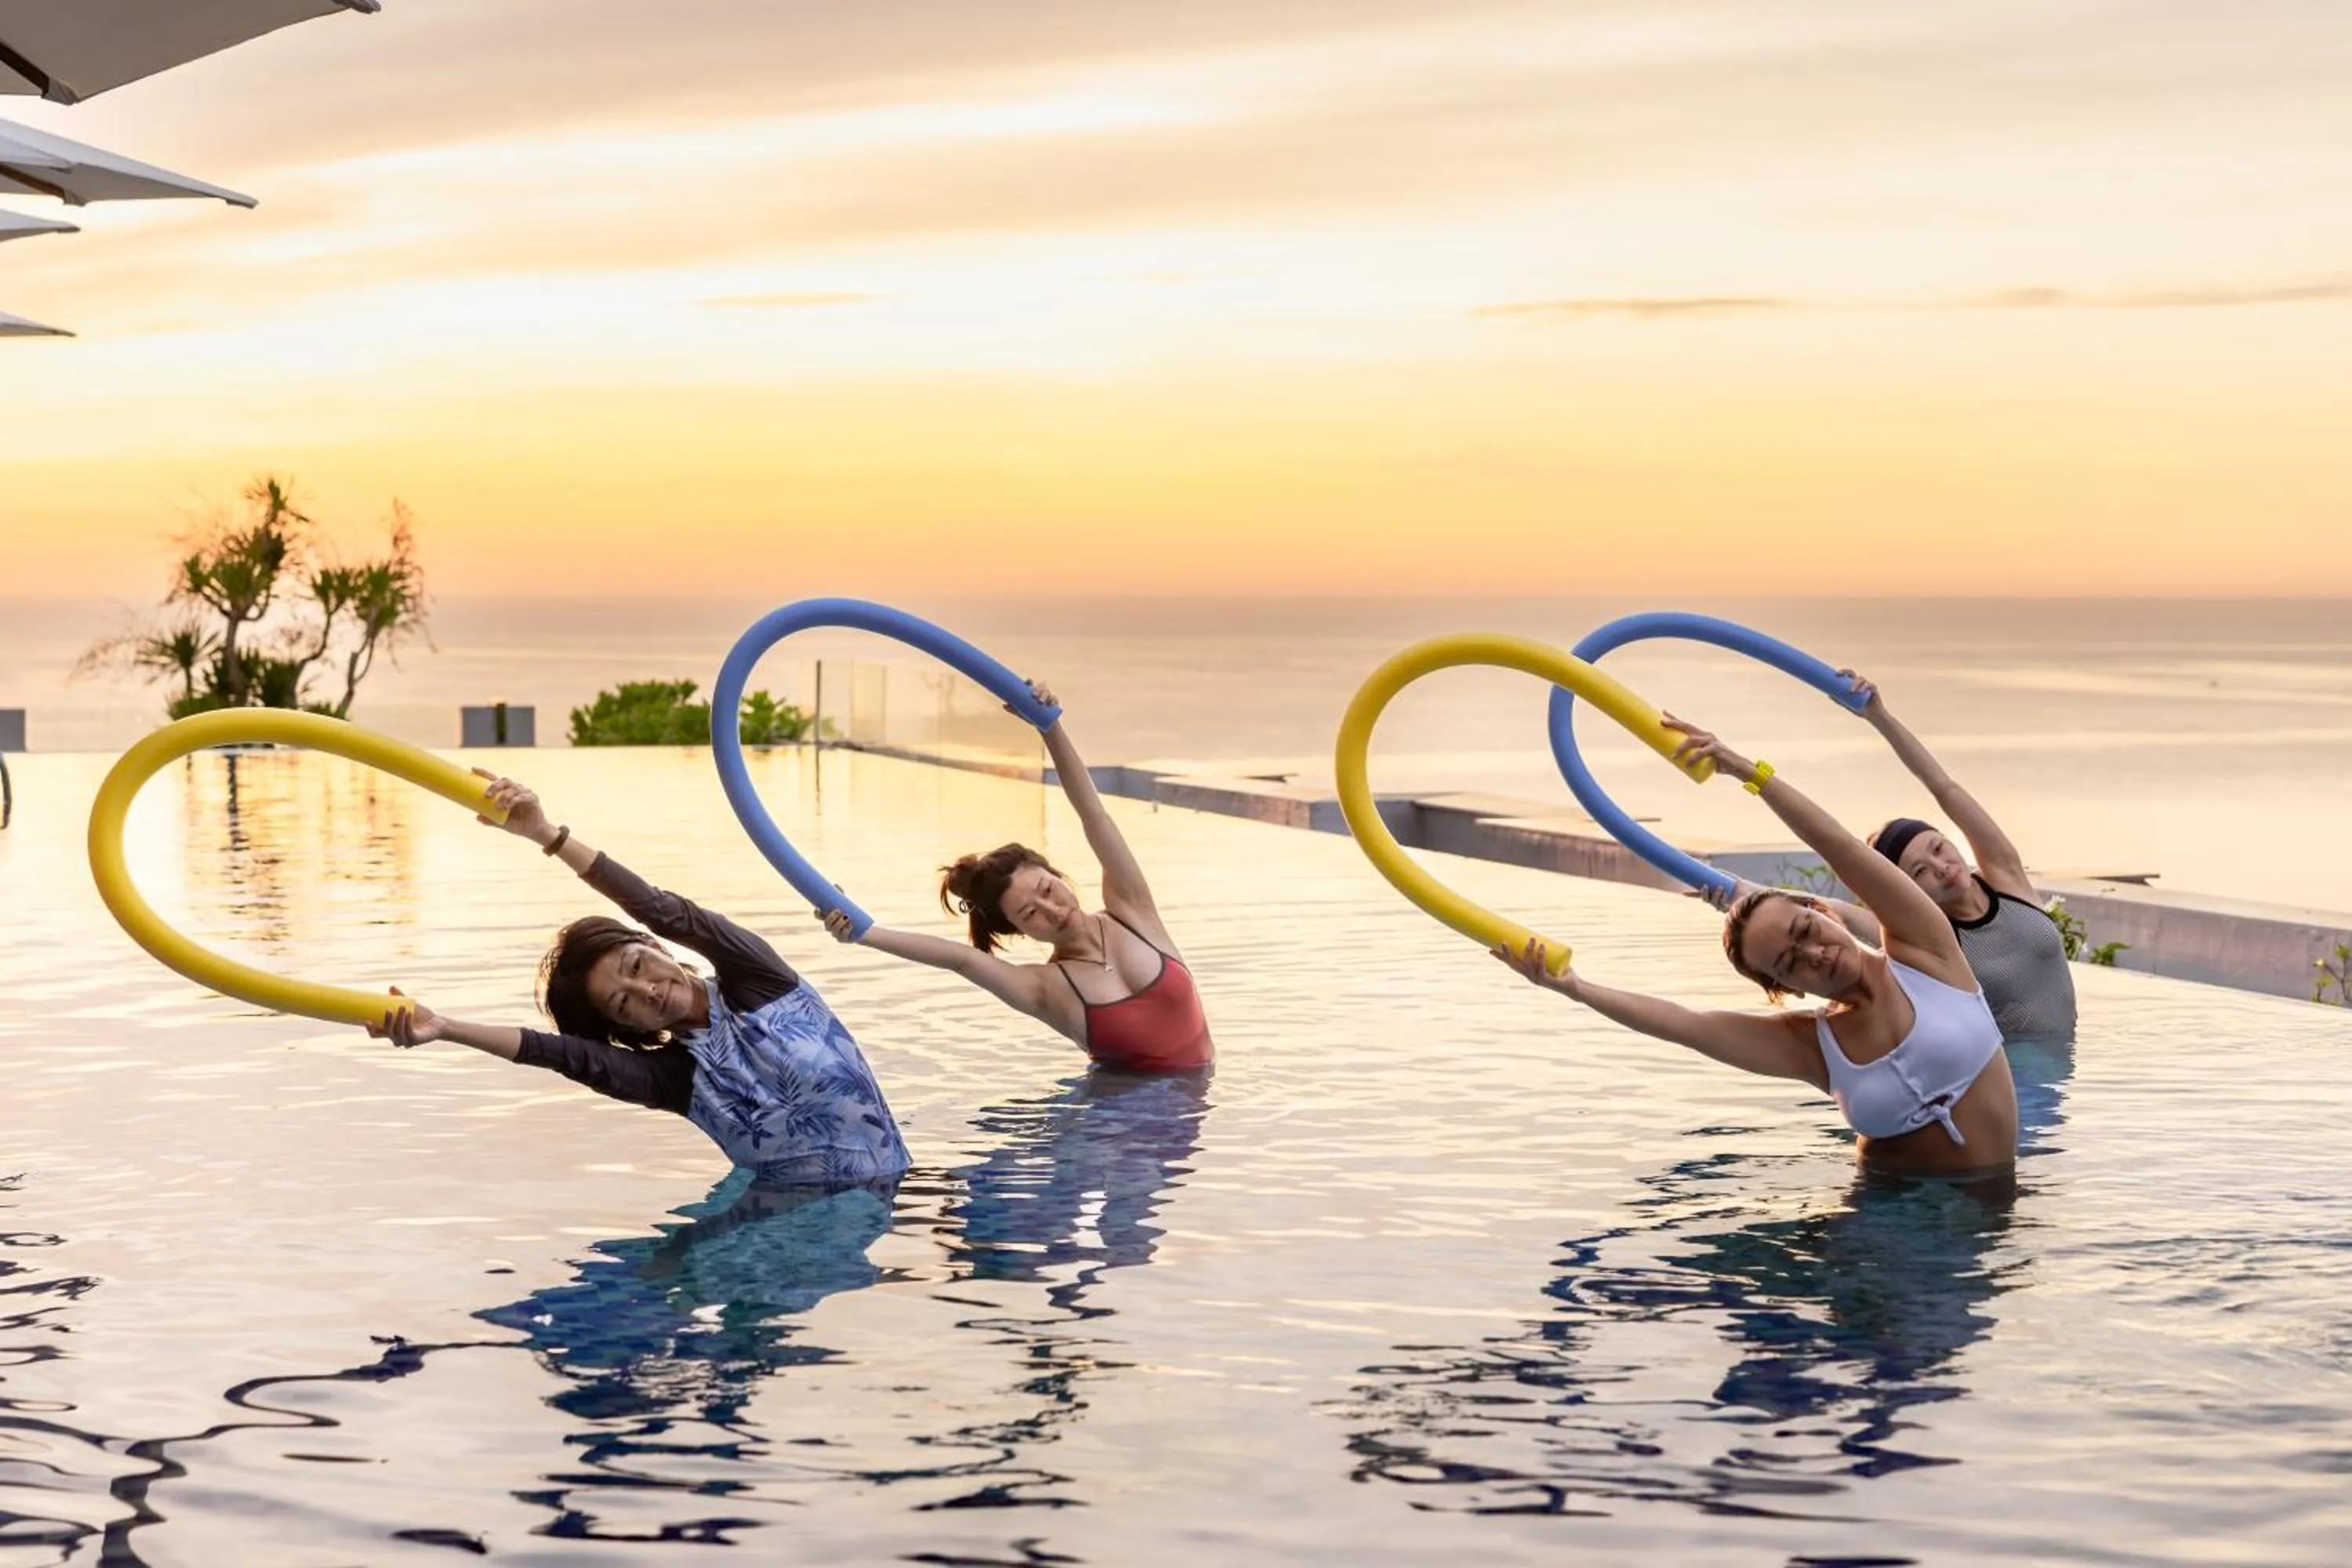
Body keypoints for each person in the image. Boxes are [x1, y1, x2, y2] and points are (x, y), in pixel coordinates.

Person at [1500, 717, 2018, 1178]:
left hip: (1991, 1214)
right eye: (1791, 963)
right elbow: (1688, 1025)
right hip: (1887, 1222)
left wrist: (1746, 771)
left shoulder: (1926, 952)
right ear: (1785, 987)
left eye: (1805, 931)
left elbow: (1837, 845)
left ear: (1824, 911)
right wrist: (1576, 988)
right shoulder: (1811, 1046)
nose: (1815, 954)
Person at [366, 772, 909, 1187]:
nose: (647, 991)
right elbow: (559, 1054)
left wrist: (546, 835)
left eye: (636, 967)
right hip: (779, 1225)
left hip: (892, 1189)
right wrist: (444, 1027)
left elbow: (658, 908)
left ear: (654, 946)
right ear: (626, 1030)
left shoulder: (760, 981)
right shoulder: (676, 1080)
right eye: (623, 1006)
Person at [822, 681, 1211, 1075]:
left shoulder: (1133, 910)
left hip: (1198, 1102)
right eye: (1029, 913)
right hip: (1115, 1112)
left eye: (1047, 889)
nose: (1051, 910)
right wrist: (863, 933)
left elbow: (1093, 814)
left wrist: (1049, 726)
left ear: (1057, 875)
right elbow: (961, 960)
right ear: (1019, 931)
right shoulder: (1046, 988)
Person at [1704, 670, 2075, 1040]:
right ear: (1906, 891)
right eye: (1920, 872)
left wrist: (1878, 716)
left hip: (2071, 1064)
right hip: (2008, 1072)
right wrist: (1738, 894)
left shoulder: (2006, 878)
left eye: (1938, 848)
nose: (1941, 867)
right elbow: (1825, 907)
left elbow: (1943, 786)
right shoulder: (1927, 938)